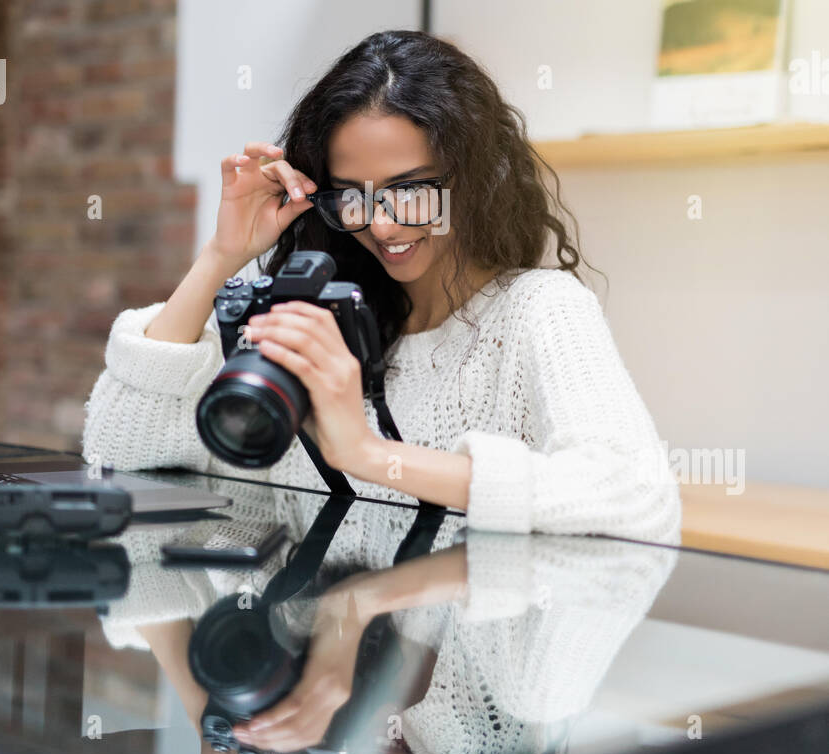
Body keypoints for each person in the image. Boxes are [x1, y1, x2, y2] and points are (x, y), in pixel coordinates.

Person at [83, 29, 680, 541]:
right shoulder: (323, 319)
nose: (382, 224)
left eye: (410, 188)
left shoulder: (537, 310)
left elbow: (633, 498)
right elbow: (122, 450)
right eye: (352, 196)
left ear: (476, 178)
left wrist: (369, 456)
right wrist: (222, 255)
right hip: (307, 664)